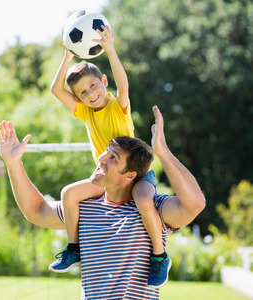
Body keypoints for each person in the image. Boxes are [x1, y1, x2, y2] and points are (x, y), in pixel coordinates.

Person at [0, 106, 205, 299]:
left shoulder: (152, 208)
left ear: (129, 175)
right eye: (106, 151)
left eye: (113, 157)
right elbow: (36, 210)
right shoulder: (83, 207)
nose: (101, 157)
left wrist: (163, 153)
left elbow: (194, 204)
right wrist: (13, 163)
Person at [50, 24, 167, 287]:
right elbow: (56, 91)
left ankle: (160, 257)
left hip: (136, 173)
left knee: (144, 202)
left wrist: (110, 50)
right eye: (83, 92)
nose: (91, 94)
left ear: (104, 81)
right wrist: (67, 57)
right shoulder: (84, 112)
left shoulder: (118, 106)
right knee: (69, 193)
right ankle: (73, 248)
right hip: (108, 178)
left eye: (93, 86)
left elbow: (123, 85)